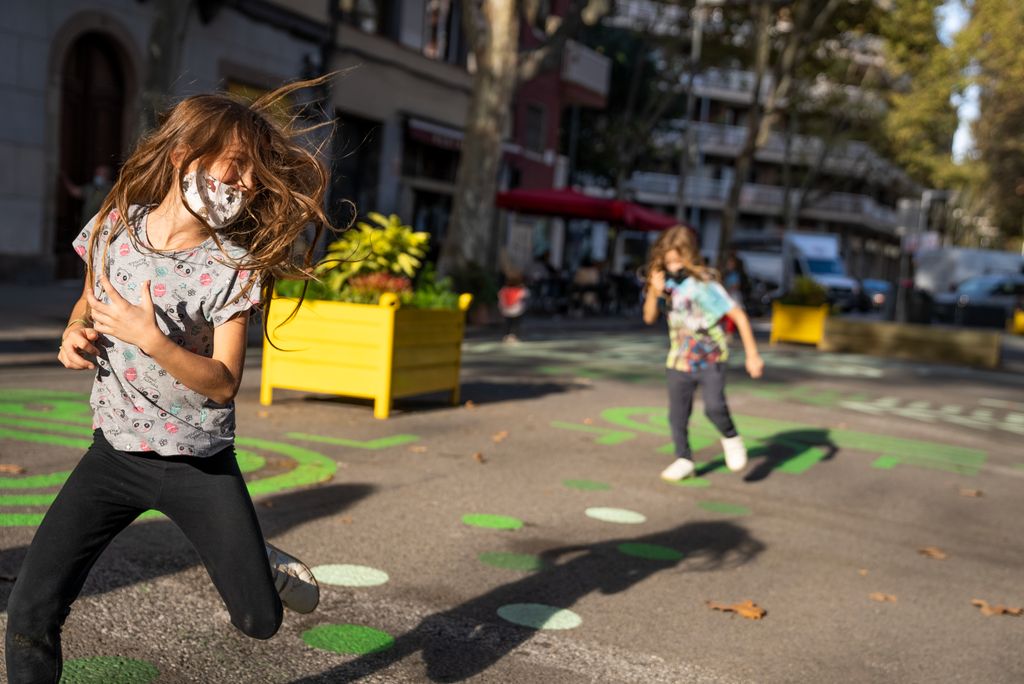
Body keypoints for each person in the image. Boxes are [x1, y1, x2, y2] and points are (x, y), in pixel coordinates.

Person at [5, 78, 336, 683]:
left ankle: (258, 567)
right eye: (237, 167)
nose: (247, 184)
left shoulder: (232, 267)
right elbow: (87, 302)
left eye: (256, 174)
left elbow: (223, 383)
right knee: (29, 612)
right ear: (187, 155)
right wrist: (72, 334)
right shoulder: (112, 227)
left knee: (258, 621)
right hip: (112, 455)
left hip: (197, 464)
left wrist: (150, 337)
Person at [643, 226, 765, 481]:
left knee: (714, 407)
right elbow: (649, 317)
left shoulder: (704, 286)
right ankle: (683, 458)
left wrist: (753, 355)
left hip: (711, 356)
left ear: (689, 257)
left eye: (678, 260)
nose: (673, 266)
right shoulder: (664, 284)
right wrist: (654, 292)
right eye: (669, 261)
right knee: (677, 415)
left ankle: (731, 437)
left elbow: (739, 316)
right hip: (679, 358)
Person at [498, 272, 529, 343]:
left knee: (508, 323)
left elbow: (500, 299)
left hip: (506, 310)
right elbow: (526, 296)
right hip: (517, 310)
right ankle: (514, 336)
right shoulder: (521, 290)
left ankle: (506, 335)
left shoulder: (504, 290)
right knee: (516, 324)